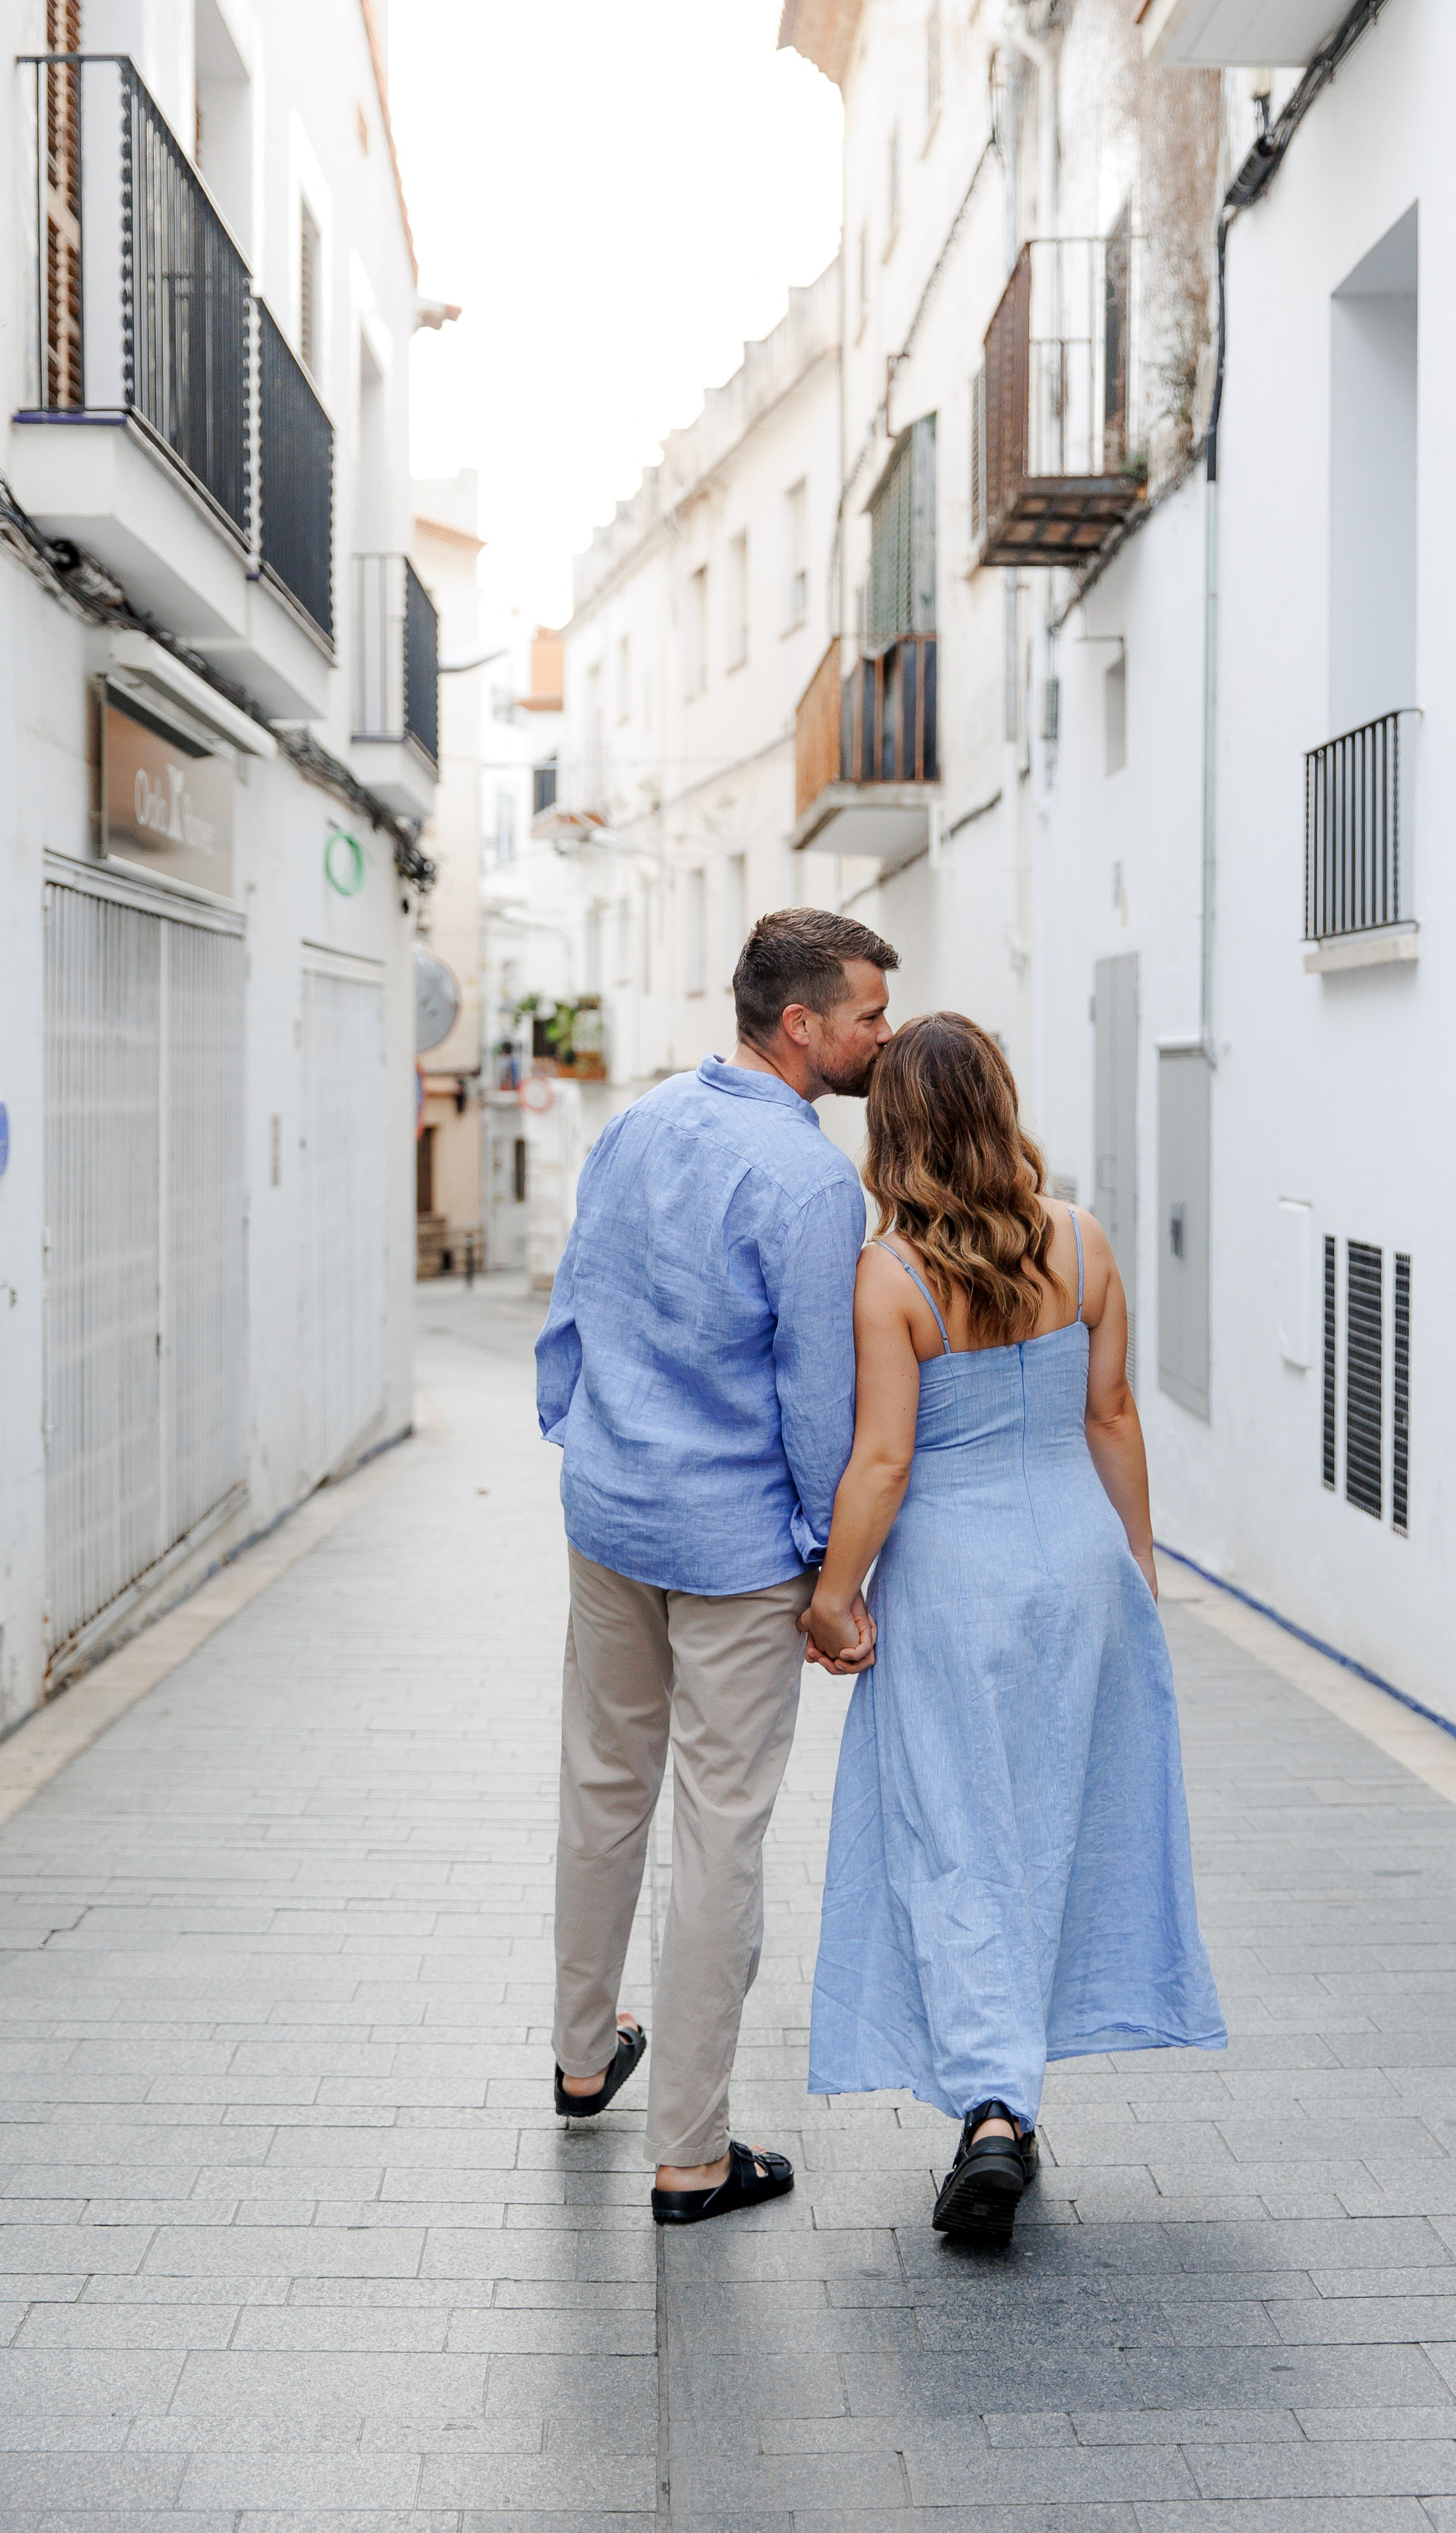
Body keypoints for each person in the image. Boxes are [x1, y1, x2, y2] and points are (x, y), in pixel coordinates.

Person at [802, 1012, 1225, 2244]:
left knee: (959, 1835)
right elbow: (1112, 1419)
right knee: (1057, 1829)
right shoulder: (1084, 1243)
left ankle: (992, 2108)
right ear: (1000, 1105)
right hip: (1081, 1570)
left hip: (951, 1585)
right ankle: (1014, 2095)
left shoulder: (890, 1277)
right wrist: (1136, 1578)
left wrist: (836, 1596)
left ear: (896, 1130)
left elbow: (884, 1462)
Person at [535, 907, 898, 2226]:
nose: (880, 1035)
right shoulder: (810, 1186)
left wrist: (578, 1433)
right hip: (735, 1549)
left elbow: (573, 1296)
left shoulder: (634, 1126)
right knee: (720, 1830)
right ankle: (689, 2152)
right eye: (865, 1013)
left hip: (610, 1515)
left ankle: (584, 2059)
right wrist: (830, 1574)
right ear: (800, 1025)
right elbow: (816, 1404)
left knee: (600, 1785)